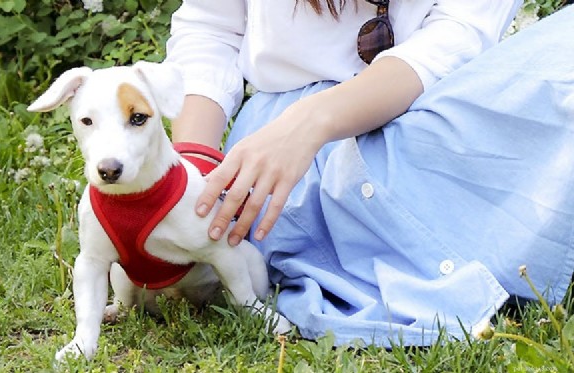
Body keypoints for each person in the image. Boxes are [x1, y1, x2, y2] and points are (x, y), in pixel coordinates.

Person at [164, 0, 574, 346]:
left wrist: (310, 123)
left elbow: (456, 37)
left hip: (426, 126)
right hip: (283, 163)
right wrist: (190, 173)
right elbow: (212, 30)